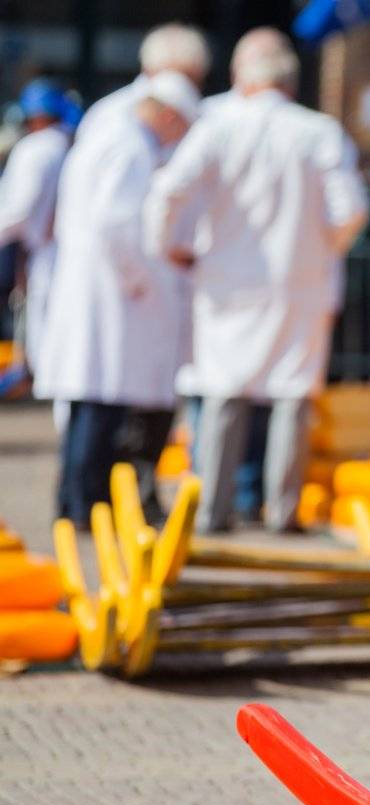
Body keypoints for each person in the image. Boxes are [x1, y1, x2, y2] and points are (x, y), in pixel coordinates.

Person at [147, 28, 369, 534]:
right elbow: (351, 208)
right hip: (299, 282)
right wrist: (320, 249)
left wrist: (170, 248)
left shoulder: (218, 126)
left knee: (225, 393)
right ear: (290, 83)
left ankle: (211, 509)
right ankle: (282, 512)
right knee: (291, 395)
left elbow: (169, 189)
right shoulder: (318, 131)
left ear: (242, 81)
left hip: (226, 281)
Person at [35, 74, 198, 529]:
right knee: (99, 410)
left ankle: (77, 504)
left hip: (95, 288)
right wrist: (141, 278)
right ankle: (86, 508)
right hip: (108, 293)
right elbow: (114, 224)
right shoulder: (130, 146)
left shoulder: (109, 134)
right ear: (168, 116)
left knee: (91, 405)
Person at [0, 80, 77, 382]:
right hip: (56, 248)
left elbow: (20, 208)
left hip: (46, 249)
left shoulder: (38, 148)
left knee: (45, 324)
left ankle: (48, 383)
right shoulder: (68, 142)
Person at [75, 23, 210, 146]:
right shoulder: (113, 114)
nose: (188, 90)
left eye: (195, 81)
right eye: (182, 79)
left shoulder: (199, 116)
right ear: (150, 70)